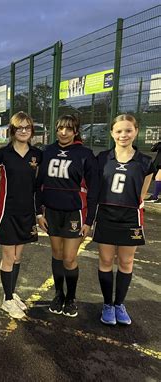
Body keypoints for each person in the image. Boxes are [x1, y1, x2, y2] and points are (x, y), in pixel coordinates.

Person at [94, 114, 154, 325]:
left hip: (130, 217)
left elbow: (143, 194)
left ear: (136, 131)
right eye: (119, 131)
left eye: (128, 130)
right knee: (106, 261)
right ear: (112, 133)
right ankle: (107, 304)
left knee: (126, 262)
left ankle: (119, 303)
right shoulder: (102, 158)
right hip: (106, 215)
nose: (123, 135)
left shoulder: (146, 161)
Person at [36, 115, 98, 318]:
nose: (63, 132)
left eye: (68, 129)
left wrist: (89, 220)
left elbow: (94, 189)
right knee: (56, 254)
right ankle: (58, 294)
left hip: (74, 212)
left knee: (70, 258)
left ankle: (71, 297)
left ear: (76, 132)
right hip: (51, 211)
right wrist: (39, 212)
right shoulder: (47, 151)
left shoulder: (85, 154)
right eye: (60, 128)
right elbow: (38, 184)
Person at [0, 112, 42, 319]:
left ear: (31, 130)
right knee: (8, 256)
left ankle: (10, 294)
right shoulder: (3, 154)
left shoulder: (38, 155)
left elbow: (38, 184)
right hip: (7, 211)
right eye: (19, 127)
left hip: (27, 212)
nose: (23, 131)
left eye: (27, 127)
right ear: (12, 130)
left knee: (18, 256)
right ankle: (8, 299)